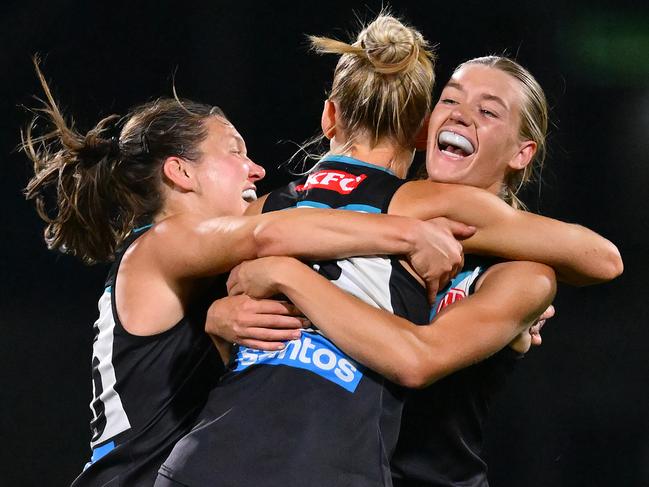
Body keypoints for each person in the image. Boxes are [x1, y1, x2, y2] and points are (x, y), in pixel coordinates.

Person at [158, 13, 621, 487]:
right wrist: (213, 316)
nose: (461, 113)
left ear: (521, 152)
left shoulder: (520, 273)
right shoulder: (380, 211)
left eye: (488, 111)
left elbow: (602, 260)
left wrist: (286, 274)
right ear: (424, 125)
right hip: (320, 459)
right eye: (450, 98)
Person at [23, 60, 478, 486]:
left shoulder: (206, 272)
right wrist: (407, 233)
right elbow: (268, 234)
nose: (256, 168)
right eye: (234, 151)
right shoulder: (161, 243)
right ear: (181, 172)